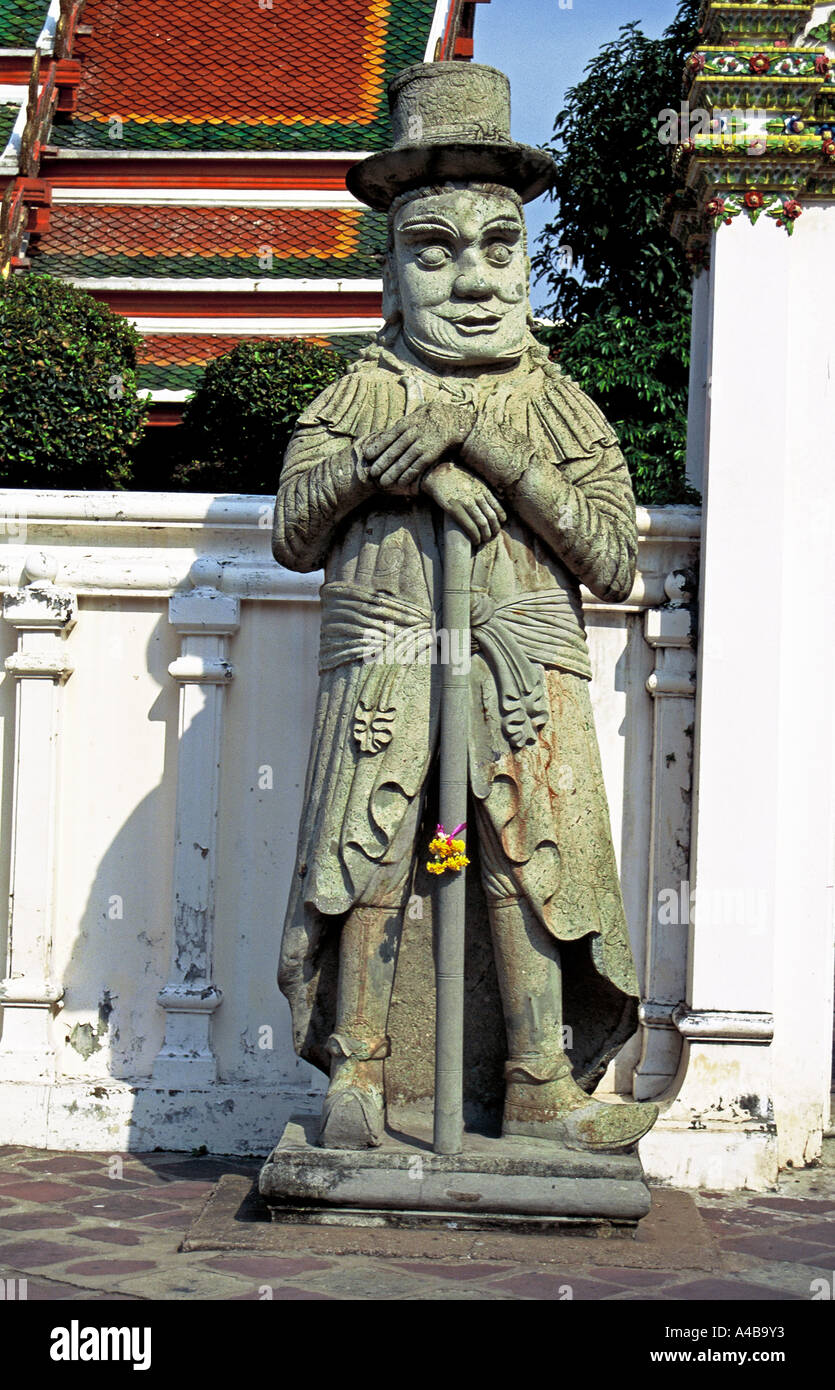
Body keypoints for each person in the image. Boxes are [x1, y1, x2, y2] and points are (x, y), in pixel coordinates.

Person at [272, 62, 658, 1153]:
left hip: (523, 668)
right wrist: (395, 469)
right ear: (389, 276)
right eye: (432, 252)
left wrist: (485, 443)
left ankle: (539, 1082)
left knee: (524, 854)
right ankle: (358, 1074)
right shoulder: (356, 393)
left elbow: (613, 556)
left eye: (500, 248)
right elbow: (294, 532)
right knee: (374, 846)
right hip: (388, 659)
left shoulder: (553, 400)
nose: (473, 280)